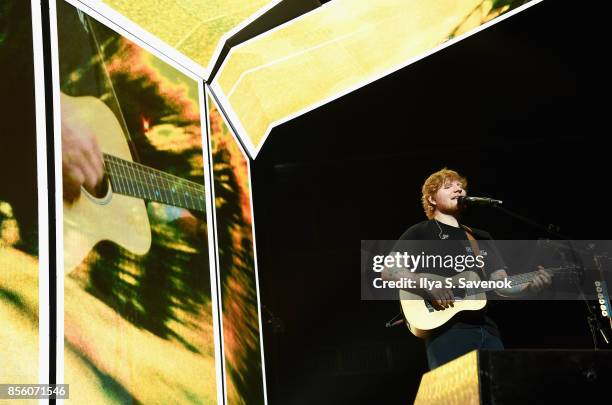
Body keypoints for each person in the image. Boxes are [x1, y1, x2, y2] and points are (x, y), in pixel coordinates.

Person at [382, 168, 552, 369]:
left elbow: (501, 284)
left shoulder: (480, 237)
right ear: (432, 200)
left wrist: (529, 287)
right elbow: (388, 271)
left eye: (460, 186)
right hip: (447, 330)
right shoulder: (420, 231)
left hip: (487, 329)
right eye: (448, 186)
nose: (458, 189)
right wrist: (427, 286)